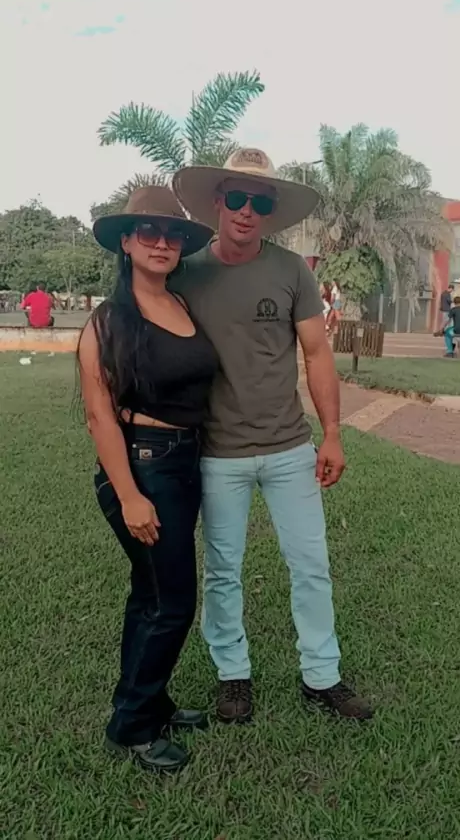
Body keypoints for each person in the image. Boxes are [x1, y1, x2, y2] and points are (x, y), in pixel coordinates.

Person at [172, 148, 373, 723]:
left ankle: (321, 676)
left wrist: (331, 434)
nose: (246, 210)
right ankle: (232, 674)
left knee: (311, 564)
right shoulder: (187, 272)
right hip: (218, 452)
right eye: (237, 197)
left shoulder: (292, 271)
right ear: (218, 201)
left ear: (270, 210)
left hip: (289, 448)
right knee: (223, 570)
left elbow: (317, 353)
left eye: (259, 202)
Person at [78, 187, 217, 773]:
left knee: (150, 594)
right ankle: (131, 726)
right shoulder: (108, 320)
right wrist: (131, 495)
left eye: (173, 234)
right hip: (144, 466)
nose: (163, 242)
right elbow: (98, 416)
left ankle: (149, 701)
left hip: (186, 462)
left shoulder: (182, 304)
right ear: (127, 243)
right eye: (149, 232)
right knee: (172, 602)